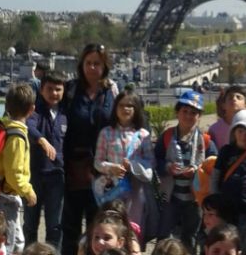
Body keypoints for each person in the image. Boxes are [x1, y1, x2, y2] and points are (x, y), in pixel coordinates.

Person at [62, 44, 118, 255]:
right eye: (88, 63)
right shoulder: (71, 90)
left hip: (103, 169)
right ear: (81, 64)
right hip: (76, 166)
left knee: (99, 227)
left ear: (105, 66)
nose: (92, 68)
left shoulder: (112, 90)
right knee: (71, 226)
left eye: (97, 63)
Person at [155, 90, 217, 253]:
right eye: (185, 111)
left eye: (194, 113)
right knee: (164, 235)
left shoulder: (205, 140)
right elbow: (156, 161)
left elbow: (214, 164)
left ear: (199, 116)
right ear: (177, 112)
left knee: (190, 237)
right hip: (171, 196)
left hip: (194, 199)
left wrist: (198, 170)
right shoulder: (167, 136)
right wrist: (168, 167)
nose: (188, 116)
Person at [93, 90, 154, 233]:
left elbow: (151, 162)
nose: (125, 109)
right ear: (115, 108)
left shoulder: (143, 135)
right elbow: (97, 162)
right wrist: (111, 168)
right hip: (113, 188)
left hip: (135, 190)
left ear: (136, 109)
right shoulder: (106, 132)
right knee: (111, 227)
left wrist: (133, 165)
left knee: (133, 228)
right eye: (121, 105)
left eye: (130, 105)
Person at [0, 83, 37, 254]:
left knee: (17, 243)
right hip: (5, 197)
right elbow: (14, 173)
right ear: (31, 109)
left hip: (5, 195)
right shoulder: (17, 136)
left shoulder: (5, 128)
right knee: (6, 245)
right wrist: (28, 191)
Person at [210, 109, 246, 255]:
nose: (244, 136)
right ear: (234, 131)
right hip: (226, 211)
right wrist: (214, 205)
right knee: (226, 247)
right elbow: (215, 178)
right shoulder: (226, 152)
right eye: (240, 131)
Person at [23, 71, 68, 249]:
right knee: (30, 225)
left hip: (57, 176)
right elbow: (28, 125)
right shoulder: (35, 111)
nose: (54, 93)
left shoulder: (65, 113)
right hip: (34, 176)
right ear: (41, 90)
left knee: (55, 226)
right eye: (50, 89)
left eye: (58, 89)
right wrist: (41, 140)